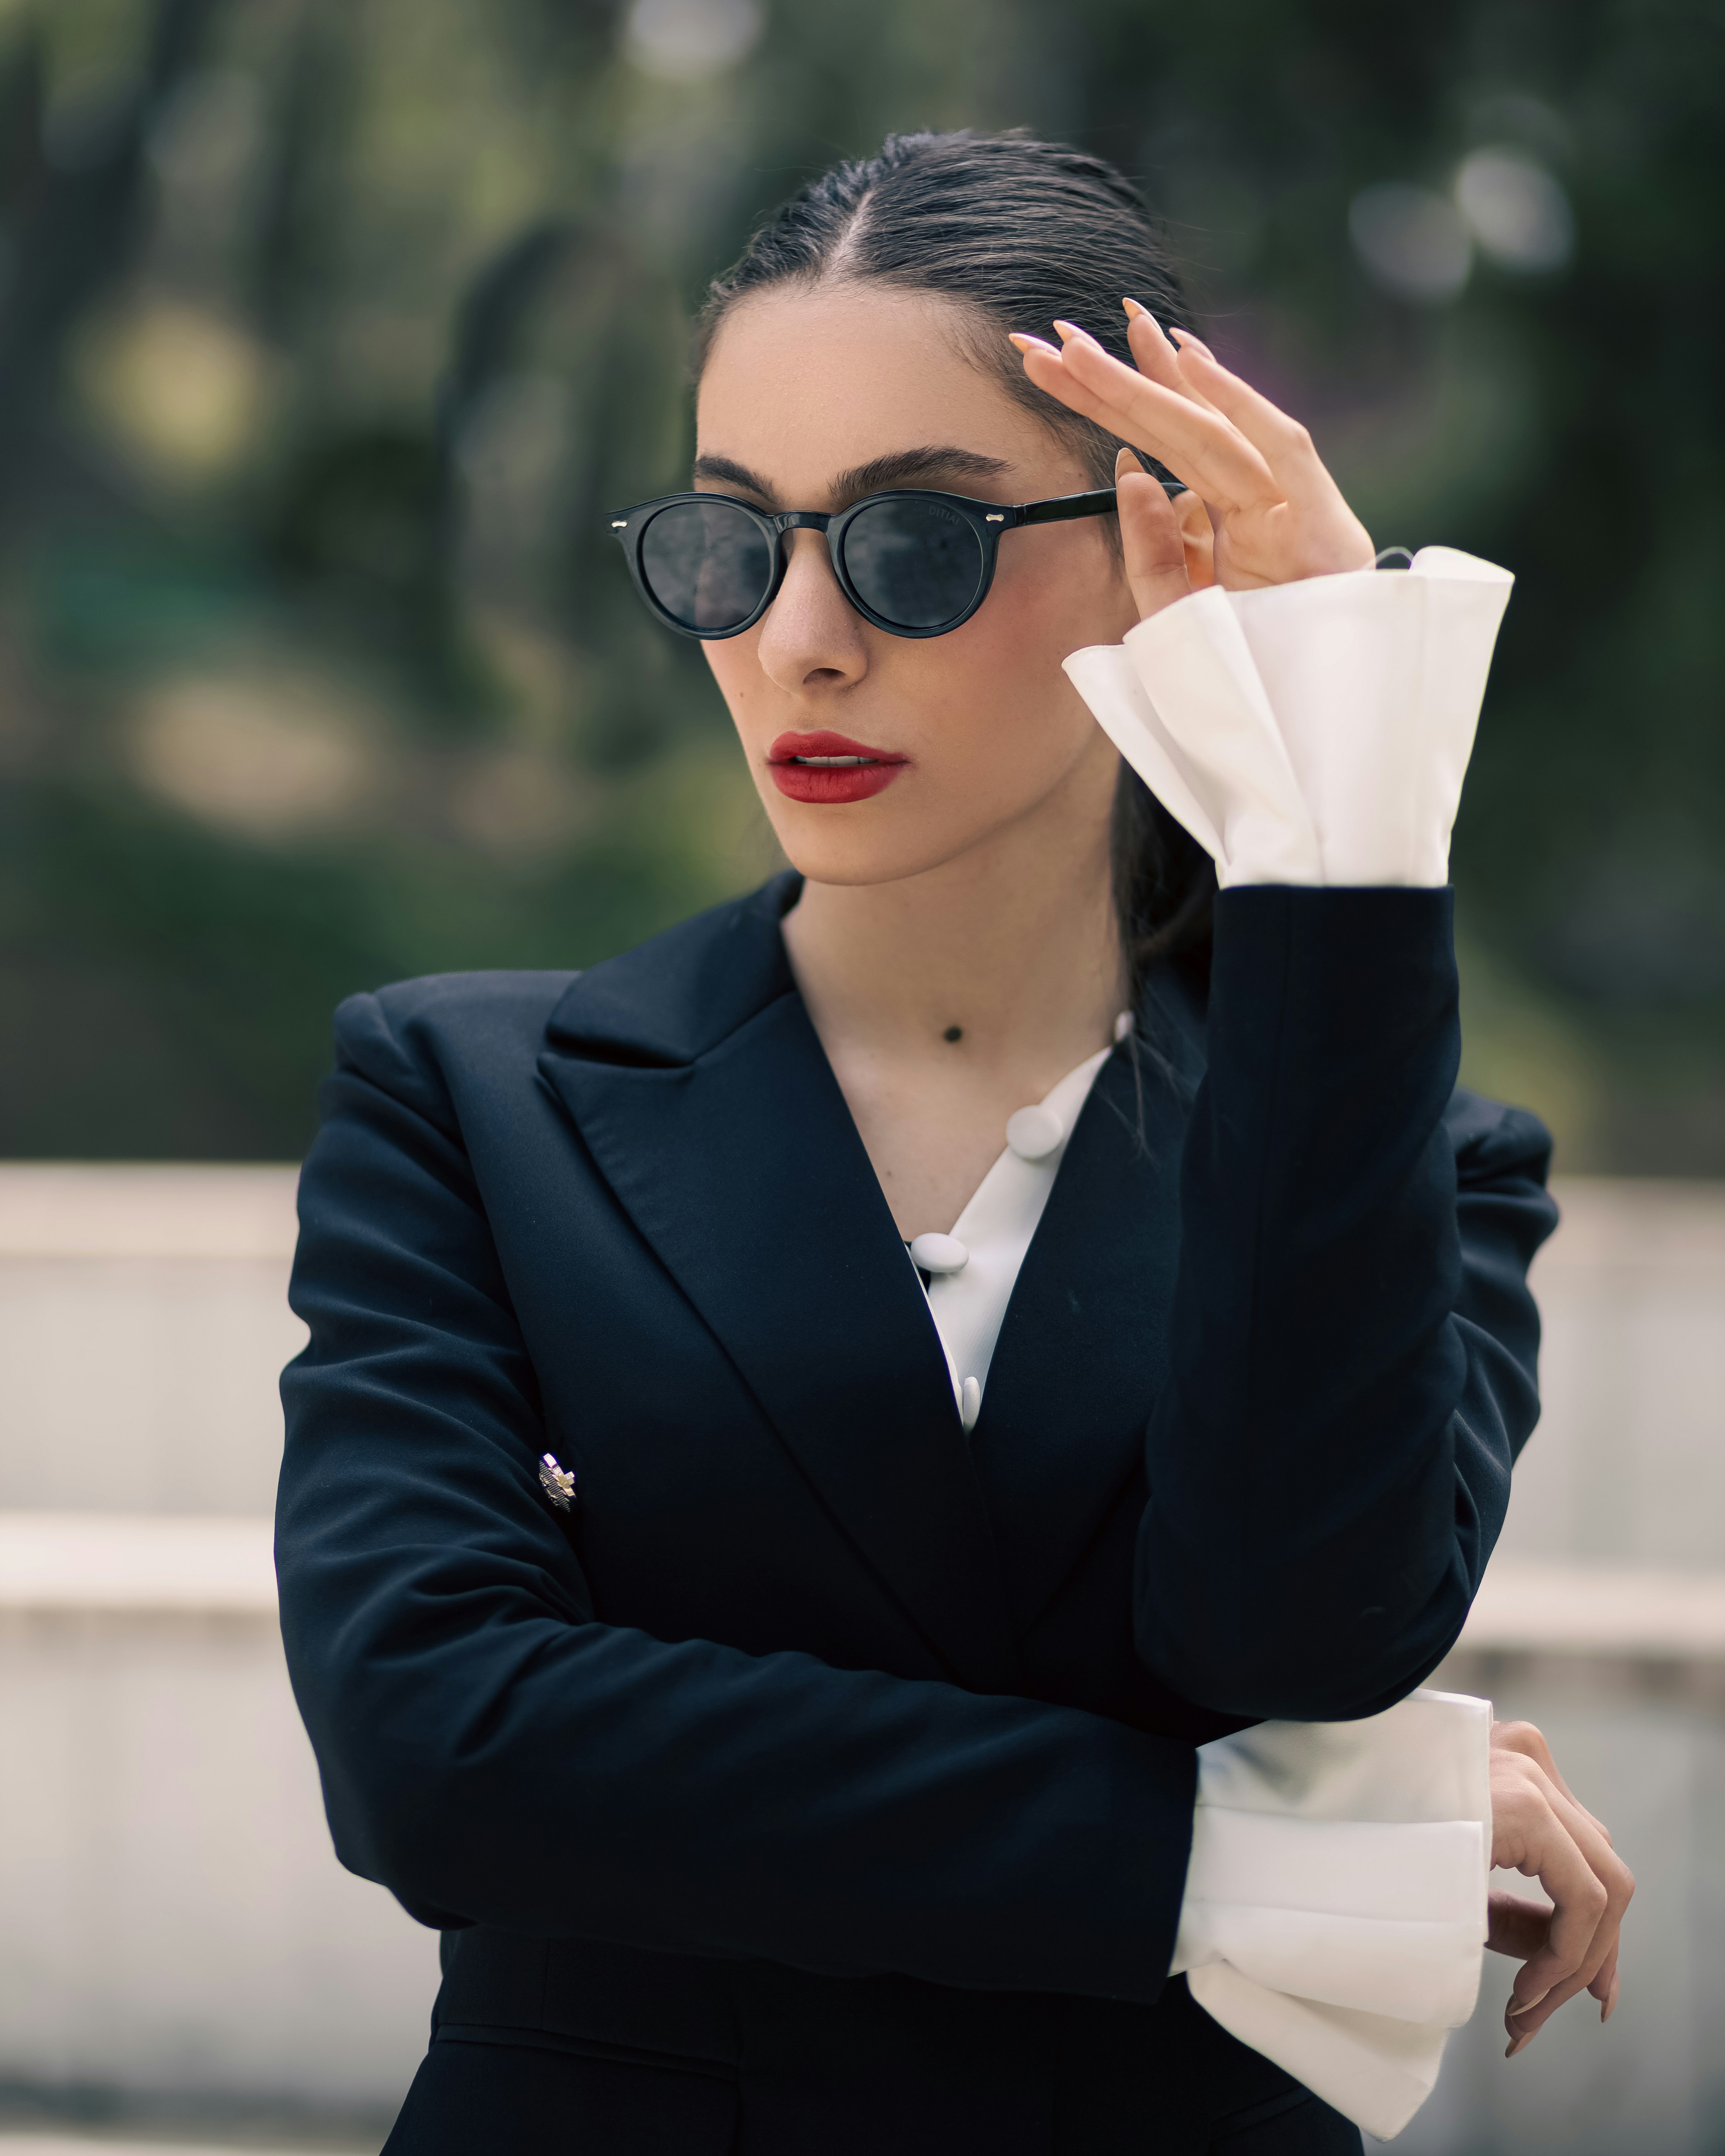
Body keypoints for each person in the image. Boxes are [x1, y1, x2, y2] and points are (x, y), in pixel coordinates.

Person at [277, 131, 1632, 2155]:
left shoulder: (1408, 1156)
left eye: (918, 541)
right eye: (733, 542)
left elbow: (1285, 1629)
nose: (799, 641)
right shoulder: (465, 1102)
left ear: (1158, 535)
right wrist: (1260, 1859)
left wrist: (1333, 800)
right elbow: (441, 1751)